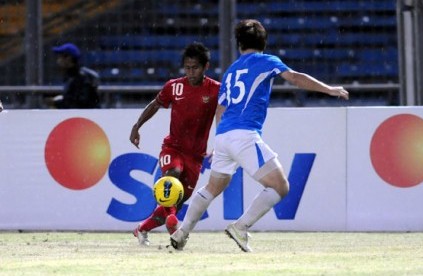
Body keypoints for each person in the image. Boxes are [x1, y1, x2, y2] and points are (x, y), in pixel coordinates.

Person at [170, 19, 349, 252]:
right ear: (263, 42)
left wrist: (218, 142)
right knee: (280, 186)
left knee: (212, 188)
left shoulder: (231, 70)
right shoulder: (266, 61)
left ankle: (182, 232)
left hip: (224, 136)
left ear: (239, 45)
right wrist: (329, 89)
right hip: (244, 134)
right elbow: (294, 78)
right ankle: (241, 227)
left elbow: (221, 108)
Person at [130, 42, 220, 246]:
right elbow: (155, 105)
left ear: (206, 66)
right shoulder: (174, 86)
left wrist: (220, 143)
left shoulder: (215, 90)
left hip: (196, 155)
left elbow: (223, 117)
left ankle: (141, 229)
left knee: (174, 202)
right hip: (173, 147)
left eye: (195, 67)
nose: (190, 72)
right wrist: (137, 126)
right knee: (173, 175)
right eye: (187, 67)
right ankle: (174, 225)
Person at [49, 43, 100, 108]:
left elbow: (79, 104)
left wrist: (57, 103)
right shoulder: (71, 76)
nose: (58, 61)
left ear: (68, 58)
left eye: (60, 57)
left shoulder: (81, 77)